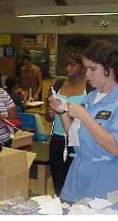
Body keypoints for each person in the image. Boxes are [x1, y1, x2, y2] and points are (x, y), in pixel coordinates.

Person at [48, 40, 118, 211]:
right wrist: (62, 112)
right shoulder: (91, 98)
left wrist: (84, 116)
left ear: (109, 69)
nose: (87, 75)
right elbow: (76, 137)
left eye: (92, 69)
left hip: (107, 178)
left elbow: (115, 147)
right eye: (87, 68)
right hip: (78, 176)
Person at [45, 35, 94, 197]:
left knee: (77, 189)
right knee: (59, 187)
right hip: (57, 142)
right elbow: (49, 118)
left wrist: (69, 113)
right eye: (65, 65)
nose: (68, 69)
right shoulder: (58, 85)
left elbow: (92, 122)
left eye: (73, 65)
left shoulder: (90, 88)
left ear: (83, 65)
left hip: (79, 144)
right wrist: (51, 113)